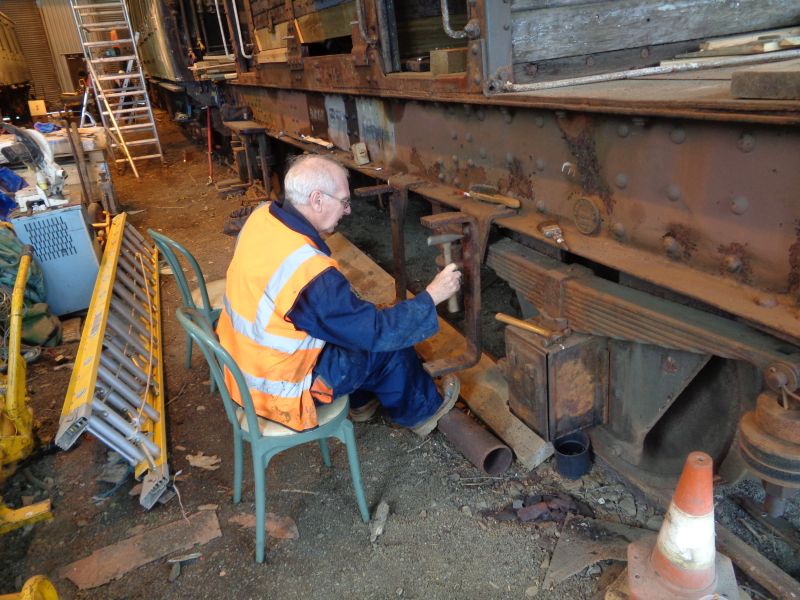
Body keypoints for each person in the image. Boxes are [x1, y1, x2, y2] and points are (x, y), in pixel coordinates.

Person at [216, 154, 462, 436]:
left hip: (244, 368)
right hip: (281, 393)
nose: (348, 211)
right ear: (317, 200)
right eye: (344, 202)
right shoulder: (309, 275)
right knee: (388, 344)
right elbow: (377, 332)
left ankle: (362, 402)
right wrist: (432, 295)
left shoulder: (263, 217)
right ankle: (422, 412)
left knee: (355, 321)